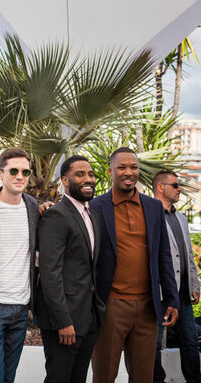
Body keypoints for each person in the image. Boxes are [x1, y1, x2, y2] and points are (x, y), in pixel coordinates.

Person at [90, 147, 179, 383]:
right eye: (122, 167)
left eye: (134, 167)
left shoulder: (153, 207)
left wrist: (171, 299)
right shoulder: (95, 207)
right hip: (111, 306)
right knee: (104, 375)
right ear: (110, 171)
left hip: (148, 308)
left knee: (143, 377)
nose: (129, 172)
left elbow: (164, 257)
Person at [35, 155, 105, 383]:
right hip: (64, 322)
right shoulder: (57, 214)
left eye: (91, 174)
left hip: (88, 318)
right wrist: (63, 321)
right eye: (80, 174)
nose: (88, 179)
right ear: (65, 180)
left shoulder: (92, 215)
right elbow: (50, 273)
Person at [0, 148, 40, 383]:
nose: (20, 176)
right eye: (13, 171)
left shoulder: (33, 207)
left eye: (25, 171)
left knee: (8, 378)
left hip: (21, 308)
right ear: (1, 174)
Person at [151, 171, 201, 383]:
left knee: (190, 341)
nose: (179, 189)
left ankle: (194, 379)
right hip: (161, 293)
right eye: (175, 185)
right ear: (161, 187)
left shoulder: (180, 217)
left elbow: (188, 254)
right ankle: (156, 380)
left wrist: (195, 284)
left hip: (183, 294)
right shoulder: (150, 215)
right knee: (154, 343)